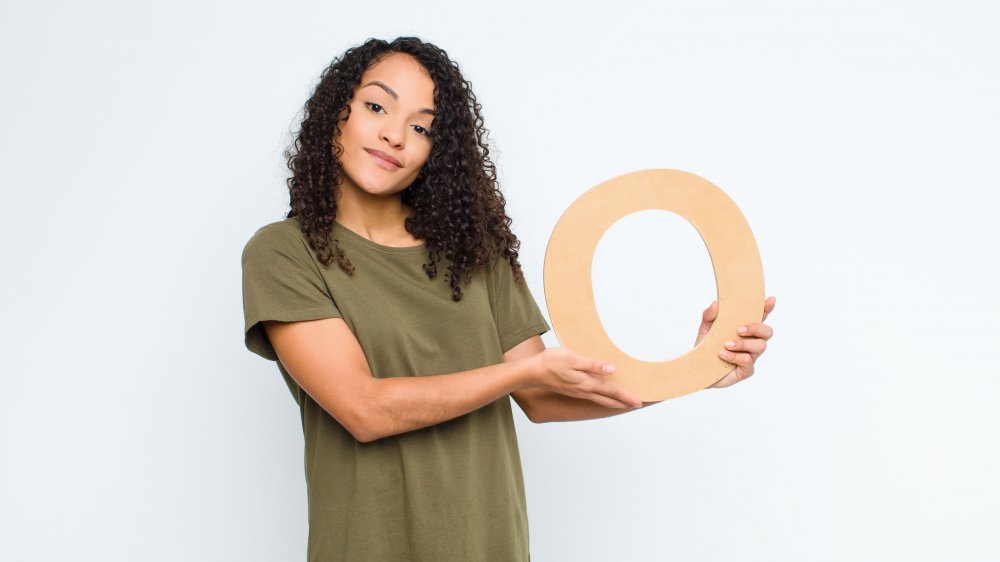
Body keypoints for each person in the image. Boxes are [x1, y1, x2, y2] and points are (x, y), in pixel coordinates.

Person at [241, 36, 775, 562]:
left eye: (422, 126)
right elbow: (363, 409)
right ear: (338, 111)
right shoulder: (286, 253)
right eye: (376, 105)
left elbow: (545, 398)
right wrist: (518, 375)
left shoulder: (474, 252)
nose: (394, 135)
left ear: (438, 150)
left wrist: (698, 369)